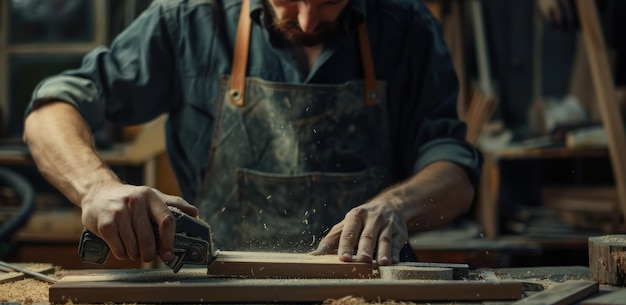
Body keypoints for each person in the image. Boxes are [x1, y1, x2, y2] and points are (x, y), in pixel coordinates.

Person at [23, 0, 482, 267]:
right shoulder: (188, 20)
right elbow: (53, 108)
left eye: (330, 1)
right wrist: (97, 188)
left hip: (372, 293)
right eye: (288, 0)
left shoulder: (407, 26)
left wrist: (397, 206)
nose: (306, 22)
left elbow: (455, 169)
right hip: (214, 293)